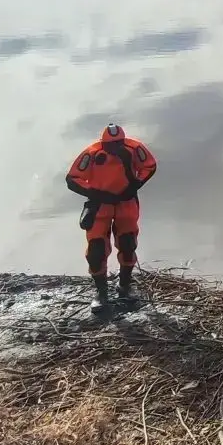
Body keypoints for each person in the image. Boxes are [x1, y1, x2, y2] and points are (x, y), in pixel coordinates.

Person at [65, 124, 158, 314]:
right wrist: (96, 193)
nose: (115, 149)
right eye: (111, 146)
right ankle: (101, 293)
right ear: (103, 143)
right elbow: (73, 179)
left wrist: (136, 185)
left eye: (118, 144)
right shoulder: (92, 153)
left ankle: (124, 286)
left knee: (128, 243)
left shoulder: (133, 148)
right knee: (96, 249)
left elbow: (149, 165)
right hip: (100, 205)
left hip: (126, 202)